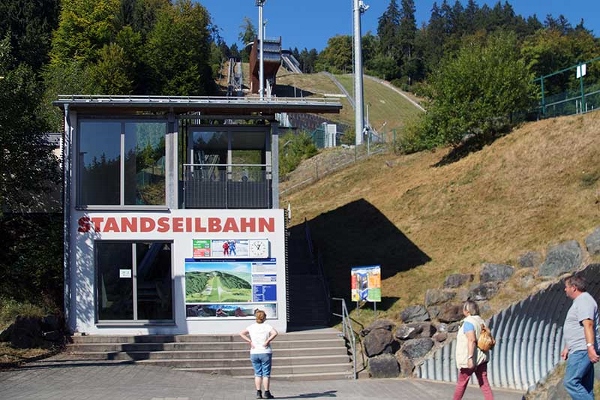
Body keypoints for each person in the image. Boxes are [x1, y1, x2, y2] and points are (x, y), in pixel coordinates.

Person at [560, 273, 600, 399]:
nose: (565, 289)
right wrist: (568, 346)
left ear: (574, 287)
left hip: (582, 350)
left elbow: (588, 324)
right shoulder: (580, 301)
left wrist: (590, 347)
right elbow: (578, 327)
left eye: (566, 286)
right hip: (579, 348)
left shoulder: (584, 301)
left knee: (571, 382)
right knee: (585, 386)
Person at [453, 300, 494, 400]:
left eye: (464, 308)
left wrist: (470, 358)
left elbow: (471, 340)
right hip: (482, 358)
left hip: (471, 359)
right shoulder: (481, 322)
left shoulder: (468, 322)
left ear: (467, 311)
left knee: (461, 383)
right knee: (484, 384)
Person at [240, 309, 278, 399]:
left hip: (254, 351)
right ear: (264, 318)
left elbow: (241, 333)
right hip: (265, 351)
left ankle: (258, 392)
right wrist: (268, 340)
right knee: (266, 373)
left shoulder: (251, 327)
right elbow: (275, 333)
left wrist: (250, 341)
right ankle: (267, 392)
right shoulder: (267, 326)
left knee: (257, 373)